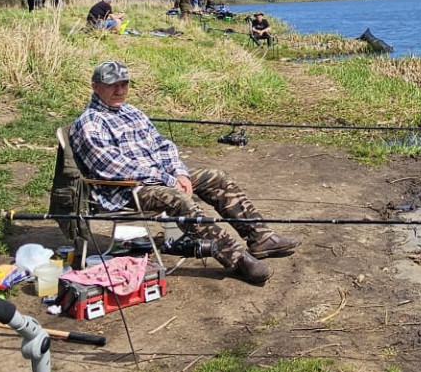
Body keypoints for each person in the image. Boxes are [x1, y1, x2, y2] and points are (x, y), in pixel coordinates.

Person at [69, 61, 300, 285]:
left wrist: (179, 173)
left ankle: (261, 237)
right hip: (125, 191)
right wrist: (167, 180)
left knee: (217, 177)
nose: (120, 90)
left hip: (159, 178)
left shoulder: (131, 112)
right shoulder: (90, 123)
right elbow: (113, 168)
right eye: (112, 85)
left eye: (124, 84)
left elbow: (163, 145)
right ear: (95, 87)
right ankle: (238, 258)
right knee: (178, 199)